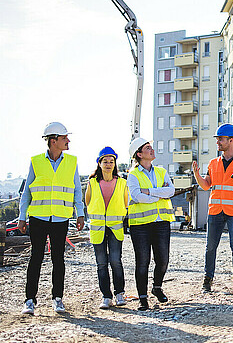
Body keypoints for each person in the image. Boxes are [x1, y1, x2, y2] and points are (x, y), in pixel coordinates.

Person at [18, 122, 85, 315]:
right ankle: (29, 300)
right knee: (36, 258)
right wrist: (22, 217)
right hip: (38, 217)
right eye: (65, 138)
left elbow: (76, 191)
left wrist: (80, 213)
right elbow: (27, 192)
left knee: (58, 259)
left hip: (61, 217)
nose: (68, 141)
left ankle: (58, 299)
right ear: (53, 140)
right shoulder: (36, 161)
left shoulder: (72, 161)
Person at [192, 123, 233, 295]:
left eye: (221, 139)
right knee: (210, 247)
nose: (218, 142)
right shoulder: (213, 163)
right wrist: (197, 175)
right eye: (217, 139)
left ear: (231, 140)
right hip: (216, 210)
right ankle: (207, 281)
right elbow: (206, 185)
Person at [127, 137, 175, 311]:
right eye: (148, 148)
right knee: (143, 261)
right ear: (139, 154)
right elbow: (135, 195)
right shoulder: (132, 175)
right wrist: (158, 195)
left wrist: (149, 192)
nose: (152, 150)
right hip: (140, 225)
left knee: (163, 260)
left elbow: (170, 191)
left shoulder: (161, 171)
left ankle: (157, 287)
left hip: (161, 222)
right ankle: (142, 298)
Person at [85, 146, 129, 309]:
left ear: (115, 163)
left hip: (115, 229)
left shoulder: (122, 183)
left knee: (116, 261)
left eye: (111, 161)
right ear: (99, 163)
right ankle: (106, 296)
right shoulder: (92, 183)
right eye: (105, 161)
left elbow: (126, 203)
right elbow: (88, 202)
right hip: (97, 229)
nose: (109, 164)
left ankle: (119, 293)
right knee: (101, 263)